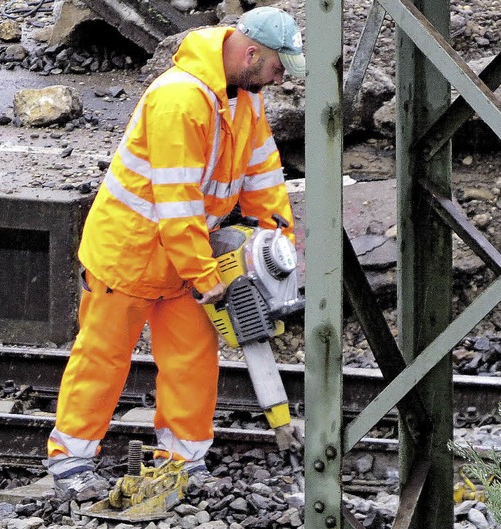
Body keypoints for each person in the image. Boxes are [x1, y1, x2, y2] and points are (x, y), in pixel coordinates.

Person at [46, 5, 306, 501]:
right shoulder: (180, 101)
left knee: (192, 359)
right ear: (251, 53)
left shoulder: (243, 99)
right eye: (276, 67)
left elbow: (264, 178)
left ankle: (183, 460)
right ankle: (71, 463)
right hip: (130, 251)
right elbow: (177, 201)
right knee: (103, 357)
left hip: (189, 254)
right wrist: (206, 276)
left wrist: (278, 243)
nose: (279, 79)